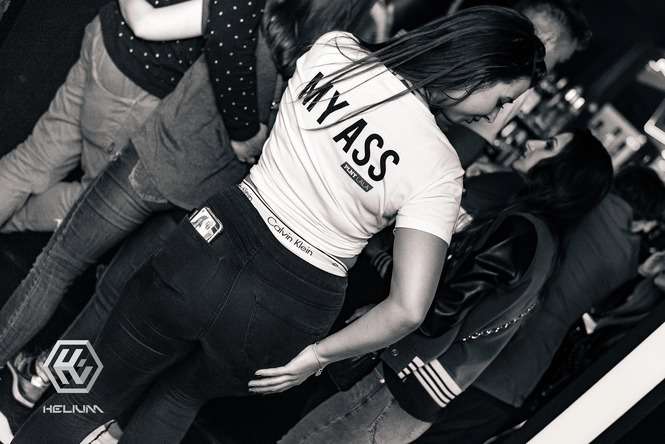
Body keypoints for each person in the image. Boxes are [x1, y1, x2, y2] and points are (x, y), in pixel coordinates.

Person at [12, 7, 546, 443]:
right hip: (289, 306)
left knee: (91, 391)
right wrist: (318, 356)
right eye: (502, 100)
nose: (494, 117)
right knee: (177, 399)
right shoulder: (439, 167)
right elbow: (408, 308)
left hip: (211, 245)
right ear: (479, 71)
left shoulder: (334, 51)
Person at [0, 0, 379, 375]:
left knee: (57, 266)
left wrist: (243, 129)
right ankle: (39, 385)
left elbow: (203, 37)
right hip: (207, 199)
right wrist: (247, 133)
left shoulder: (254, 11)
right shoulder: (338, 75)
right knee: (111, 301)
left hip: (158, 160)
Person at [277, 128, 613, 443]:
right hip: (421, 396)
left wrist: (382, 304)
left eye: (549, 146)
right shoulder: (548, 244)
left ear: (565, 174)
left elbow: (438, 313)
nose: (532, 143)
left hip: (395, 380)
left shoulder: (521, 230)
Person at [414, 165, 665, 444]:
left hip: (473, 342)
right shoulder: (628, 260)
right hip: (520, 374)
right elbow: (604, 309)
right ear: (645, 215)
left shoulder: (577, 205)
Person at [0, 0, 267, 233]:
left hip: (107, 38)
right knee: (95, 201)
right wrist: (244, 131)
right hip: (138, 82)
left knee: (33, 159)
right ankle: (13, 222)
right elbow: (227, 38)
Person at [447, 0, 591, 167]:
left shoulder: (473, 27)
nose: (550, 70)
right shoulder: (518, 83)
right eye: (558, 60)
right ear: (547, 41)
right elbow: (467, 142)